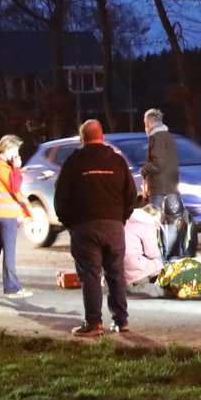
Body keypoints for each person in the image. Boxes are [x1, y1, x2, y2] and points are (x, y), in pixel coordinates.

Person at [55, 119, 138, 335]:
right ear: (102, 136)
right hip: (114, 226)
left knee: (90, 275)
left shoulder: (74, 162)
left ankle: (94, 323)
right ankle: (121, 321)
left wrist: (70, 223)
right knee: (116, 274)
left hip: (84, 226)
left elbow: (61, 198)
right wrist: (121, 218)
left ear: (82, 138)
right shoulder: (118, 161)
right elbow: (131, 195)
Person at [0, 134, 34, 301]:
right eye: (16, 150)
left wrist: (16, 171)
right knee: (9, 252)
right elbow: (15, 187)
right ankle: (12, 288)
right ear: (8, 149)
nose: (17, 154)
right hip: (6, 215)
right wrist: (16, 169)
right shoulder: (3, 168)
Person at [141, 107, 187, 260]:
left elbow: (158, 162)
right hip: (171, 185)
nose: (145, 127)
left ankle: (161, 257)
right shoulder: (168, 136)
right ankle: (173, 255)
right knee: (171, 222)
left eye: (145, 123)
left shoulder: (157, 138)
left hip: (160, 187)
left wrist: (144, 170)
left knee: (155, 222)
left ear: (150, 123)